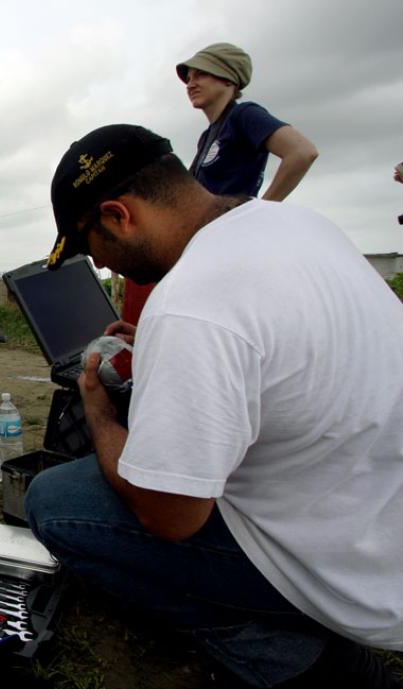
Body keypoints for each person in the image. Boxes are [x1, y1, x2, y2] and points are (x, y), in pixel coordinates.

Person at [26, 124, 403, 688]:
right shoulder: (295, 223)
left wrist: (99, 408)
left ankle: (303, 661)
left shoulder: (192, 305)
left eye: (91, 247)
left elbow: (171, 518)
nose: (104, 268)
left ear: (118, 215)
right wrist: (162, 351)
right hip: (374, 506)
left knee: (53, 502)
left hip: (346, 569)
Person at [123, 42, 319, 325]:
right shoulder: (207, 136)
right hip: (207, 247)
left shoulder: (244, 115)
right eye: (188, 78)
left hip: (232, 248)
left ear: (228, 78)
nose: (191, 83)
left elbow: (301, 152)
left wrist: (260, 210)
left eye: (201, 75)